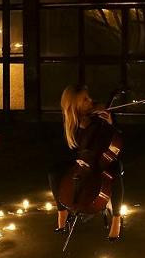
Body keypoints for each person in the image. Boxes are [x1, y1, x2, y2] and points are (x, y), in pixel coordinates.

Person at [48, 85, 124, 241]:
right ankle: (62, 211)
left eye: (88, 98)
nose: (91, 101)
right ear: (74, 105)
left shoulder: (100, 115)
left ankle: (116, 218)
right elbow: (63, 149)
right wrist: (78, 159)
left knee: (113, 173)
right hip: (81, 161)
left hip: (104, 160)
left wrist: (110, 124)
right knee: (54, 172)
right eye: (85, 100)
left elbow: (117, 139)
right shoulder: (70, 122)